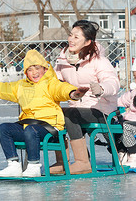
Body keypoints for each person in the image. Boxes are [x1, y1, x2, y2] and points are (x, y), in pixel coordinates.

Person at [0, 49, 89, 177]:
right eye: (30, 69)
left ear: (44, 69)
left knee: (31, 130)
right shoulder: (21, 86)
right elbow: (0, 88)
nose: (34, 73)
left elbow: (62, 89)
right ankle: (14, 165)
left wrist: (74, 93)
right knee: (4, 128)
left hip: (50, 128)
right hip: (29, 128)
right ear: (26, 72)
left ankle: (34, 166)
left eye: (37, 68)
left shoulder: (51, 83)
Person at [52, 20, 120, 175]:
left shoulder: (98, 60)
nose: (71, 39)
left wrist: (101, 88)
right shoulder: (63, 60)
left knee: (69, 114)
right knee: (53, 113)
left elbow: (113, 82)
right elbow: (54, 81)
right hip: (77, 106)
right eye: (70, 35)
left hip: (100, 109)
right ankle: (63, 161)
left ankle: (83, 162)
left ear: (88, 42)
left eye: (77, 37)